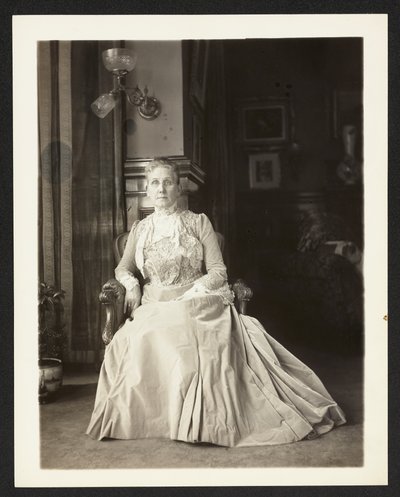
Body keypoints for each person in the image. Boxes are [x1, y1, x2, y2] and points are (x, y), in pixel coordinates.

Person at [86, 158, 346, 447]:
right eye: (155, 183)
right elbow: (123, 268)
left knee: (186, 333)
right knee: (140, 337)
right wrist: (132, 286)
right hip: (154, 303)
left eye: (168, 182)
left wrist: (192, 292)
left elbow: (218, 271)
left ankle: (199, 423)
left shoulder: (199, 222)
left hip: (197, 299)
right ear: (147, 189)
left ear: (178, 188)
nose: (161, 189)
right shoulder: (140, 229)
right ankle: (168, 418)